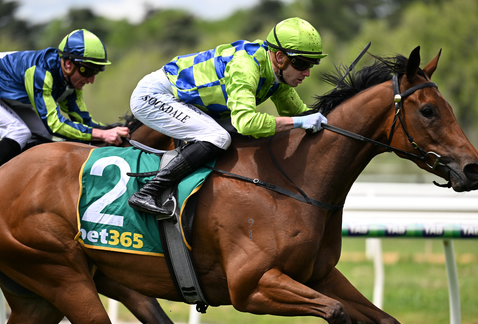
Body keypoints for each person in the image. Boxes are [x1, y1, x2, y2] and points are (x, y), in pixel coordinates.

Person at [128, 17, 328, 216]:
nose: (307, 73)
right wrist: (299, 122)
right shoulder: (246, 66)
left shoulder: (277, 76)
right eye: (302, 64)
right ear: (280, 57)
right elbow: (247, 122)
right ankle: (148, 192)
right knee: (218, 137)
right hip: (154, 95)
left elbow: (301, 114)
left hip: (184, 100)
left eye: (312, 65)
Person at [0, 29, 129, 190]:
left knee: (41, 135)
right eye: (87, 71)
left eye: (96, 72)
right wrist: (102, 134)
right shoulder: (41, 73)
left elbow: (84, 121)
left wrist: (112, 130)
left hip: (0, 94)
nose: (91, 80)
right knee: (19, 132)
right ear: (68, 64)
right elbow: (55, 125)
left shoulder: (71, 81)